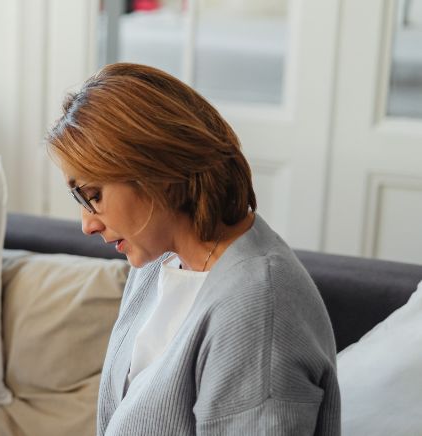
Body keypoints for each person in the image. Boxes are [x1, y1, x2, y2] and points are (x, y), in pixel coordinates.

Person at [46, 63, 340, 435]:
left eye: (94, 196)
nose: (87, 223)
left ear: (158, 173)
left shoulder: (258, 309)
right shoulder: (159, 260)